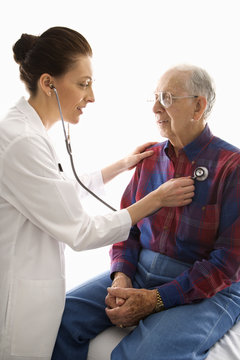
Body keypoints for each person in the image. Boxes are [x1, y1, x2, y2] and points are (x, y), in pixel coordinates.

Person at [0, 27, 195, 360]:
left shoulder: (30, 132)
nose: (91, 97)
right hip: (19, 303)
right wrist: (154, 200)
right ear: (49, 83)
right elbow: (80, 230)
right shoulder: (21, 141)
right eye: (83, 84)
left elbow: (58, 192)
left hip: (37, 292)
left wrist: (122, 165)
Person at [52, 64, 240, 360]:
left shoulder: (232, 166)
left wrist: (157, 299)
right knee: (57, 320)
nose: (154, 107)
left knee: (142, 355)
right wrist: (121, 276)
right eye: (155, 97)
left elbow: (228, 265)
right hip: (142, 269)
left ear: (198, 106)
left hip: (209, 286)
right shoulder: (150, 158)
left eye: (166, 98)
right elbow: (128, 228)